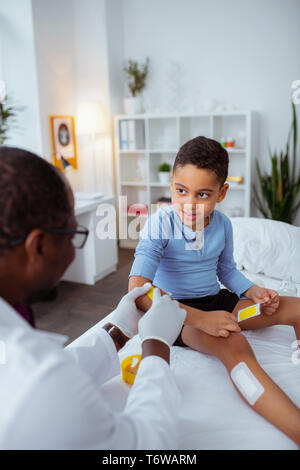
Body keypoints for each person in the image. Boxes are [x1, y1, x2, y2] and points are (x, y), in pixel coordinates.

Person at [0, 146, 186, 450]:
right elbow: (143, 446)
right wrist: (156, 345)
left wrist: (117, 331)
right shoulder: (32, 379)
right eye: (73, 235)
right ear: (39, 246)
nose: (75, 249)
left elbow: (53, 372)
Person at [128, 136, 300, 446]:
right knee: (235, 347)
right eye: (181, 191)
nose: (190, 204)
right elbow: (138, 291)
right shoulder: (159, 225)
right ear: (171, 186)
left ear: (221, 193)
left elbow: (227, 271)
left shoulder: (223, 225)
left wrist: (254, 291)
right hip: (176, 315)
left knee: (296, 307)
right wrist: (199, 319)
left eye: (203, 194)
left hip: (217, 301)